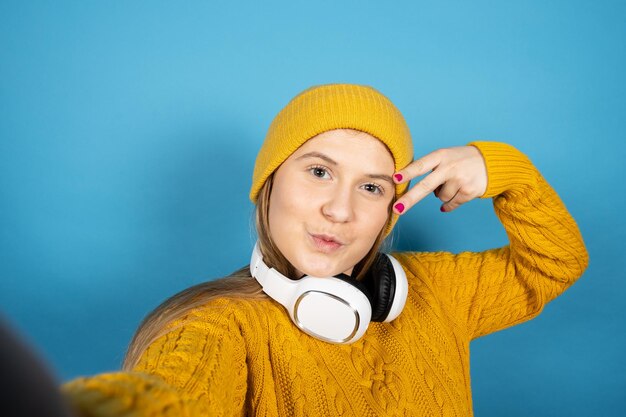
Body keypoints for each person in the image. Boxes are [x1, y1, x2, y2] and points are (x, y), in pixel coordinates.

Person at [62, 84, 588, 416]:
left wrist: (505, 170)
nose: (341, 210)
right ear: (268, 183)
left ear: (390, 209)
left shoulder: (438, 292)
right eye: (319, 172)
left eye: (372, 187)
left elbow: (556, 260)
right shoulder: (214, 330)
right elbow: (166, 396)